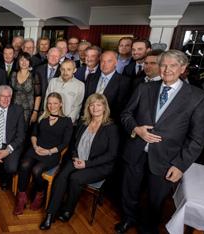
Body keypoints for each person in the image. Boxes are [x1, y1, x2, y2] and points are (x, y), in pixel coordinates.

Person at [116, 50, 204, 234]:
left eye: (173, 65)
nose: (167, 70)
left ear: (183, 68)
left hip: (167, 159)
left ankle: (147, 228)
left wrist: (180, 165)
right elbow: (126, 114)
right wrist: (136, 129)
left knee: (155, 200)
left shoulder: (198, 98)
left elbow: (197, 139)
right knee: (129, 191)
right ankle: (129, 218)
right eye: (164, 65)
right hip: (136, 151)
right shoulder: (145, 88)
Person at [40, 93, 119, 230]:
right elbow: (73, 144)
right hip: (78, 159)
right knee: (61, 176)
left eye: (99, 105)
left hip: (98, 165)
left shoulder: (111, 127)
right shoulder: (83, 122)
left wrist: (86, 164)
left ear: (105, 107)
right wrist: (76, 157)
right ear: (88, 107)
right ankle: (50, 215)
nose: (95, 108)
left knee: (75, 178)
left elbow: (111, 154)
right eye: (92, 105)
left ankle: (68, 210)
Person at [14, 92, 73, 215]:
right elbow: (34, 134)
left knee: (36, 170)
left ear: (61, 104)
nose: (52, 106)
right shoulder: (42, 117)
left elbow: (65, 143)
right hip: (36, 149)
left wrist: (49, 151)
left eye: (55, 103)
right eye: (50, 103)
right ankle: (22, 197)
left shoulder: (67, 121)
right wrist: (35, 146)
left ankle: (40, 194)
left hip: (52, 153)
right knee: (24, 165)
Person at [84, 51, 131, 123]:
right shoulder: (91, 77)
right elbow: (86, 100)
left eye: (109, 61)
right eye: (103, 61)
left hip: (110, 122)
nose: (105, 64)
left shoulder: (124, 81)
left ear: (116, 63)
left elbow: (121, 107)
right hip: (89, 120)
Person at [10, 52, 41, 125]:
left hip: (28, 112)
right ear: (18, 62)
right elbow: (9, 93)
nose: (24, 62)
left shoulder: (34, 75)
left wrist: (35, 112)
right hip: (13, 110)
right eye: (22, 60)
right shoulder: (13, 74)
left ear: (29, 62)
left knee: (25, 133)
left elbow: (38, 96)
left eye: (26, 60)